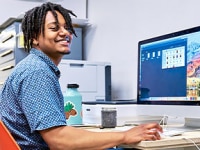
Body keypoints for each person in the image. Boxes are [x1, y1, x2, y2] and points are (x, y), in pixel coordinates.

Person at [0, 2, 163, 150]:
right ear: (35, 38)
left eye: (67, 27)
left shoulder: (35, 66)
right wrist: (125, 135)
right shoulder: (37, 71)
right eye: (54, 28)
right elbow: (59, 140)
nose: (65, 33)